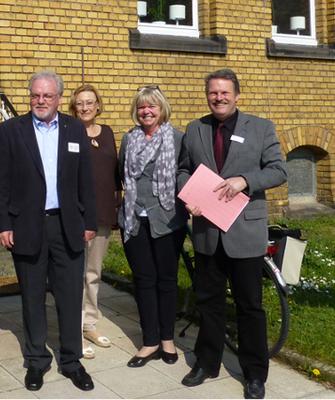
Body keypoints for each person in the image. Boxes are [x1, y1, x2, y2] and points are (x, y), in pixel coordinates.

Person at [176, 69, 287, 399]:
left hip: (244, 231)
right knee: (208, 303)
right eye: (213, 93)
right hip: (208, 231)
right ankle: (206, 362)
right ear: (206, 95)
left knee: (249, 305)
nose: (218, 98)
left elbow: (279, 170)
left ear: (237, 95)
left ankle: (254, 373)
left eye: (224, 93)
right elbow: (184, 169)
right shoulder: (195, 129)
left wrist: (245, 180)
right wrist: (188, 195)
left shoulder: (261, 127)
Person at [0, 70, 97, 392]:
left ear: (59, 99)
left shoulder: (75, 128)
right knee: (33, 298)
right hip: (26, 226)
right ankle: (36, 361)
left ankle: (71, 361)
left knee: (69, 296)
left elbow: (85, 180)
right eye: (36, 95)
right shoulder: (10, 130)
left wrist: (89, 221)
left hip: (68, 226)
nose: (40, 101)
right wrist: (3, 224)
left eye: (47, 96)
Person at [118, 86, 187, 368]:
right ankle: (150, 341)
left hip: (168, 218)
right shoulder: (129, 139)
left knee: (167, 280)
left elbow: (186, 174)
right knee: (144, 280)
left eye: (152, 106)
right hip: (134, 219)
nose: (146, 111)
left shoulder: (178, 138)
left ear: (162, 109)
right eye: (142, 107)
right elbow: (121, 174)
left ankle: (168, 340)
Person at [68, 84, 120, 360]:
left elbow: (115, 174)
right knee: (76, 275)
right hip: (76, 215)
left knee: (94, 274)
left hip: (101, 213)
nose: (85, 107)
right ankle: (73, 331)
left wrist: (117, 208)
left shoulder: (109, 133)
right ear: (73, 108)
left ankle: (89, 325)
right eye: (80, 103)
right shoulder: (68, 132)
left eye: (90, 102)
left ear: (98, 105)